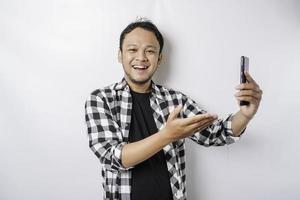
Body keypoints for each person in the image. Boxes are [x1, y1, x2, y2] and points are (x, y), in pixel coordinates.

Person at [84, 19, 262, 200]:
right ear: (120, 55)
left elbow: (216, 134)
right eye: (132, 49)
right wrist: (167, 135)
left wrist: (246, 114)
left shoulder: (175, 100)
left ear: (159, 58)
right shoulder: (101, 99)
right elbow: (113, 157)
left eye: (150, 51)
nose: (141, 57)